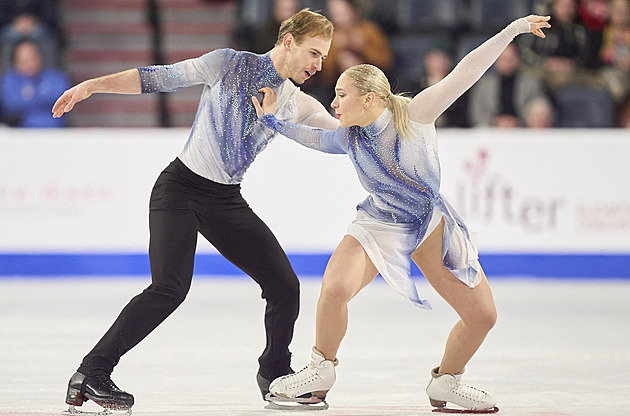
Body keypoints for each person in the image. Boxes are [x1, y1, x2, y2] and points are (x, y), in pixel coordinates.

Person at [251, 14, 551, 413]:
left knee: (483, 315)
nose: (334, 103)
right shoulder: (349, 136)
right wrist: (272, 121)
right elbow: (313, 136)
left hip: (429, 223)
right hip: (379, 222)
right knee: (335, 289)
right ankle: (320, 373)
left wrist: (512, 30)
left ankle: (447, 381)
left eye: (341, 95)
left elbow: (468, 71)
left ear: (369, 98)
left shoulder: (416, 113)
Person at [51, 8, 338, 412]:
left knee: (284, 286)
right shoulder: (228, 64)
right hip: (181, 189)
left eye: (323, 57)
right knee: (169, 288)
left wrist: (387, 124)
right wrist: (93, 86)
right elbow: (157, 78)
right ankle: (92, 372)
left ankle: (274, 375)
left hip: (226, 200)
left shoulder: (299, 105)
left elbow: (339, 137)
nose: (318, 64)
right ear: (288, 42)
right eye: (314, 53)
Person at [468, 43, 553, 128]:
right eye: (504, 59)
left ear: (518, 59)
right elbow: (477, 113)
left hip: (523, 129)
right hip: (490, 130)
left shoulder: (530, 83)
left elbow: (537, 105)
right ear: (496, 61)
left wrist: (518, 122)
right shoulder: (484, 84)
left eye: (511, 58)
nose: (508, 63)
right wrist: (495, 122)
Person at [0, 38, 69, 127]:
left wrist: (29, 98)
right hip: (21, 131)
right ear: (16, 62)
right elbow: (10, 104)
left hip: (55, 130)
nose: (30, 63)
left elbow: (64, 97)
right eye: (25, 60)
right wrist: (43, 99)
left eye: (33, 58)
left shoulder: (55, 77)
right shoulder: (9, 80)